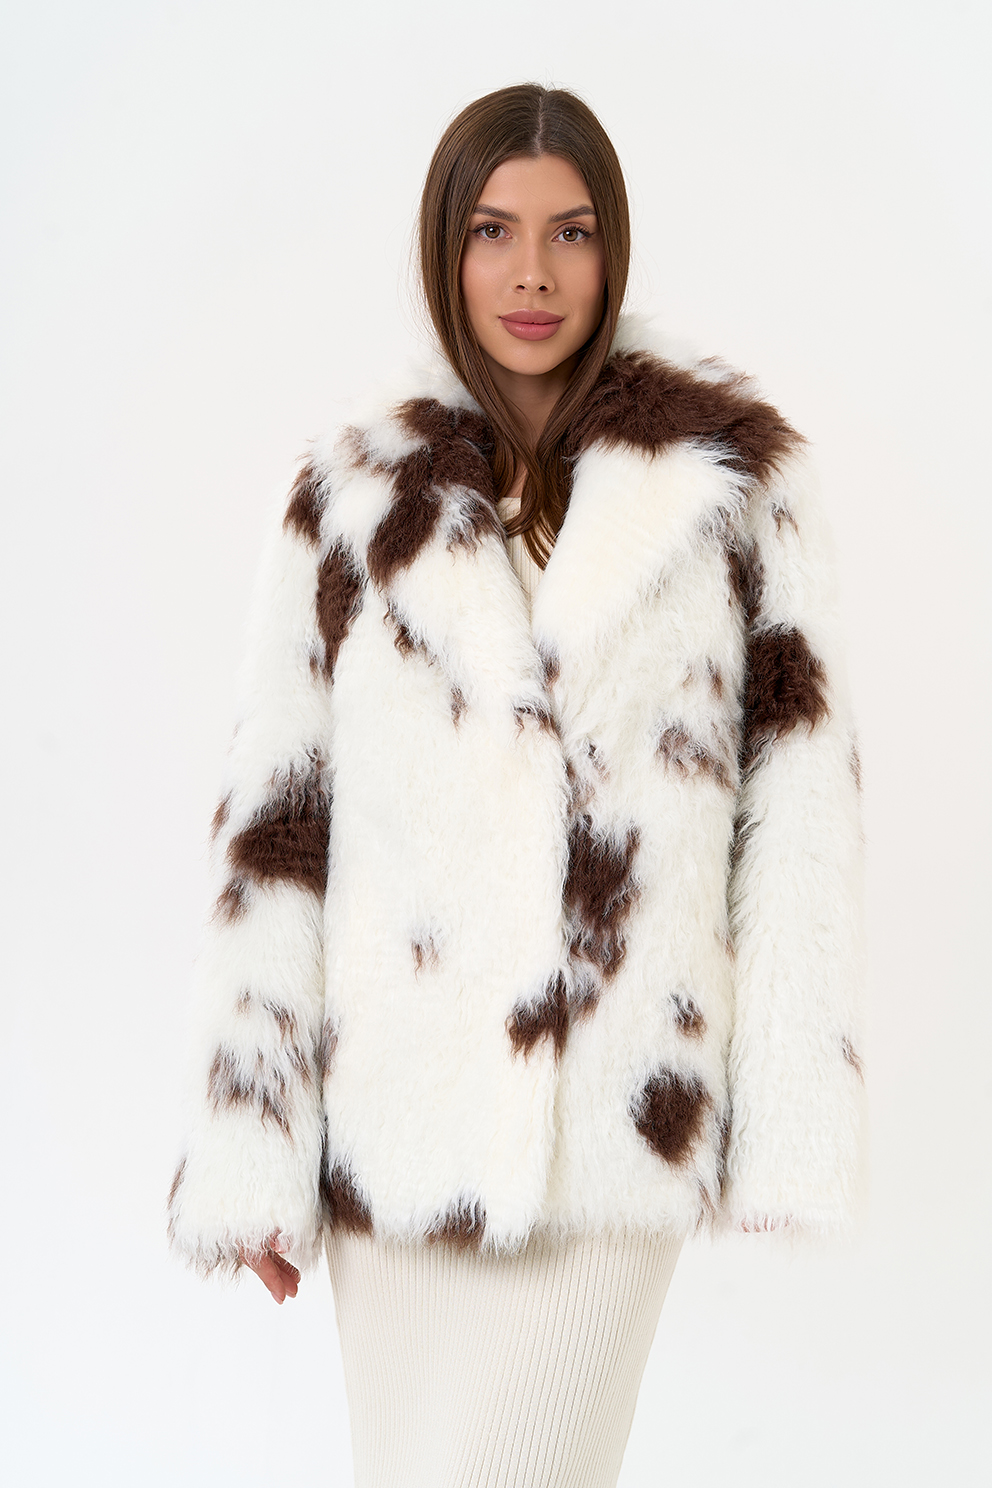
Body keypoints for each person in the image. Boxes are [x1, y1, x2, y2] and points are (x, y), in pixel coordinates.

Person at [167, 82, 866, 1488]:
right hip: (397, 1122)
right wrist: (254, 1147)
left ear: (614, 251)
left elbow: (800, 806)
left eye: (570, 232)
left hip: (618, 1119)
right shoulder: (354, 493)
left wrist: (787, 1115)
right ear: (447, 248)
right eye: (493, 231)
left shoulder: (730, 482)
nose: (533, 272)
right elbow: (278, 829)